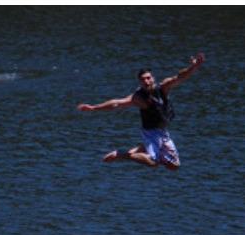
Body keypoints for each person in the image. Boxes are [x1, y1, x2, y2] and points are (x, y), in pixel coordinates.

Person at [76, 53, 205, 170]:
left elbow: (179, 77)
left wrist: (193, 67)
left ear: (153, 78)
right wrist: (94, 108)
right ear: (140, 82)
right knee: (153, 162)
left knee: (174, 166)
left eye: (148, 78)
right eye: (143, 80)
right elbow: (116, 103)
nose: (146, 81)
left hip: (163, 132)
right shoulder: (139, 97)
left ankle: (142, 148)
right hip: (151, 132)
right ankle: (123, 155)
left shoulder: (163, 88)